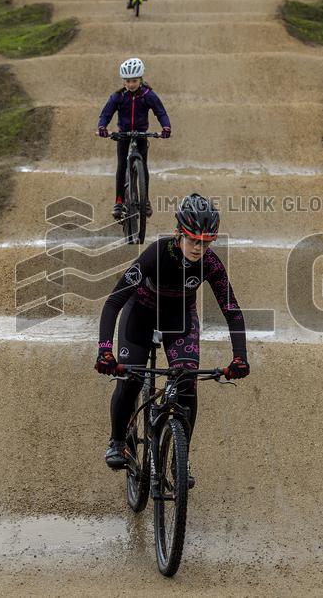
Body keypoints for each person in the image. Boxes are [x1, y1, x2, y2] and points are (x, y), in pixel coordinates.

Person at [94, 194, 250, 488]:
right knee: (131, 378)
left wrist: (240, 356)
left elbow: (231, 309)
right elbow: (114, 302)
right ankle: (117, 440)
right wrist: (105, 351)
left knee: (187, 381)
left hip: (179, 321)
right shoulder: (156, 253)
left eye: (206, 243)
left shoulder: (211, 264)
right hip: (139, 316)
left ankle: (181, 458)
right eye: (194, 241)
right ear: (179, 233)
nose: (199, 249)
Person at [97, 57, 171, 220]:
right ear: (123, 81)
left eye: (135, 81)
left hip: (141, 134)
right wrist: (102, 127)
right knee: (122, 165)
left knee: (143, 166)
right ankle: (119, 201)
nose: (131, 84)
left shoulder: (148, 95)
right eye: (128, 81)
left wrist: (166, 127)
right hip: (123, 134)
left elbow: (161, 112)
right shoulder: (118, 96)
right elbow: (106, 113)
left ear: (141, 79)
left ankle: (145, 201)